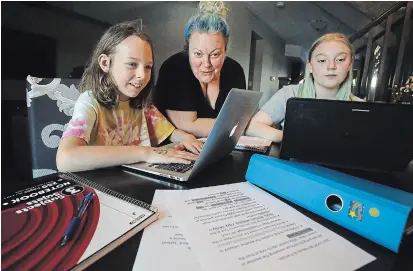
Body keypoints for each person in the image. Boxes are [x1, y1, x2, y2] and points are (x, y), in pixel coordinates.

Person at [57, 20, 203, 173]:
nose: (142, 75)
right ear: (105, 63)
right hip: (103, 185)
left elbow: (170, 132)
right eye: (132, 64)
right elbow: (65, 159)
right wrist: (145, 153)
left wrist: (187, 138)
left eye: (147, 67)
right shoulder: (90, 103)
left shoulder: (142, 106)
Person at [245, 32, 363, 143]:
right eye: (322, 60)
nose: (331, 66)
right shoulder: (290, 93)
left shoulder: (360, 106)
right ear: (310, 66)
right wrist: (294, 137)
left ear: (350, 64)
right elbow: (252, 127)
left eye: (340, 59)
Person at [153, 1, 246, 138]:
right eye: (198, 54)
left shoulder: (235, 70)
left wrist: (240, 126)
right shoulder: (174, 67)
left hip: (222, 148)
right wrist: (241, 127)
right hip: (176, 150)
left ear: (225, 52)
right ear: (188, 49)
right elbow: (188, 125)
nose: (206, 63)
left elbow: (239, 120)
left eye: (214, 54)